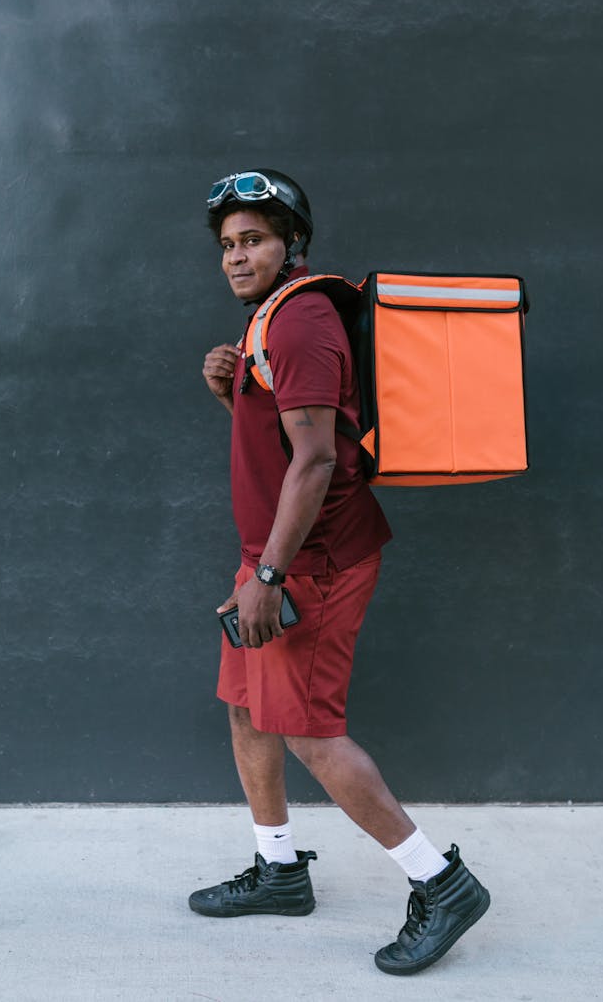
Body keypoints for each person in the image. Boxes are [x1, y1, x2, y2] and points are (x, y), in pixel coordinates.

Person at [190, 169, 490, 976]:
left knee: (310, 731)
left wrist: (273, 576)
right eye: (227, 244)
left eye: (252, 239)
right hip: (274, 558)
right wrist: (233, 393)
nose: (236, 256)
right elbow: (285, 447)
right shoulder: (270, 321)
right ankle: (280, 869)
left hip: (311, 564)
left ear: (292, 243)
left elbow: (320, 459)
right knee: (250, 707)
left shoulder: (299, 323)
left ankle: (443, 881)